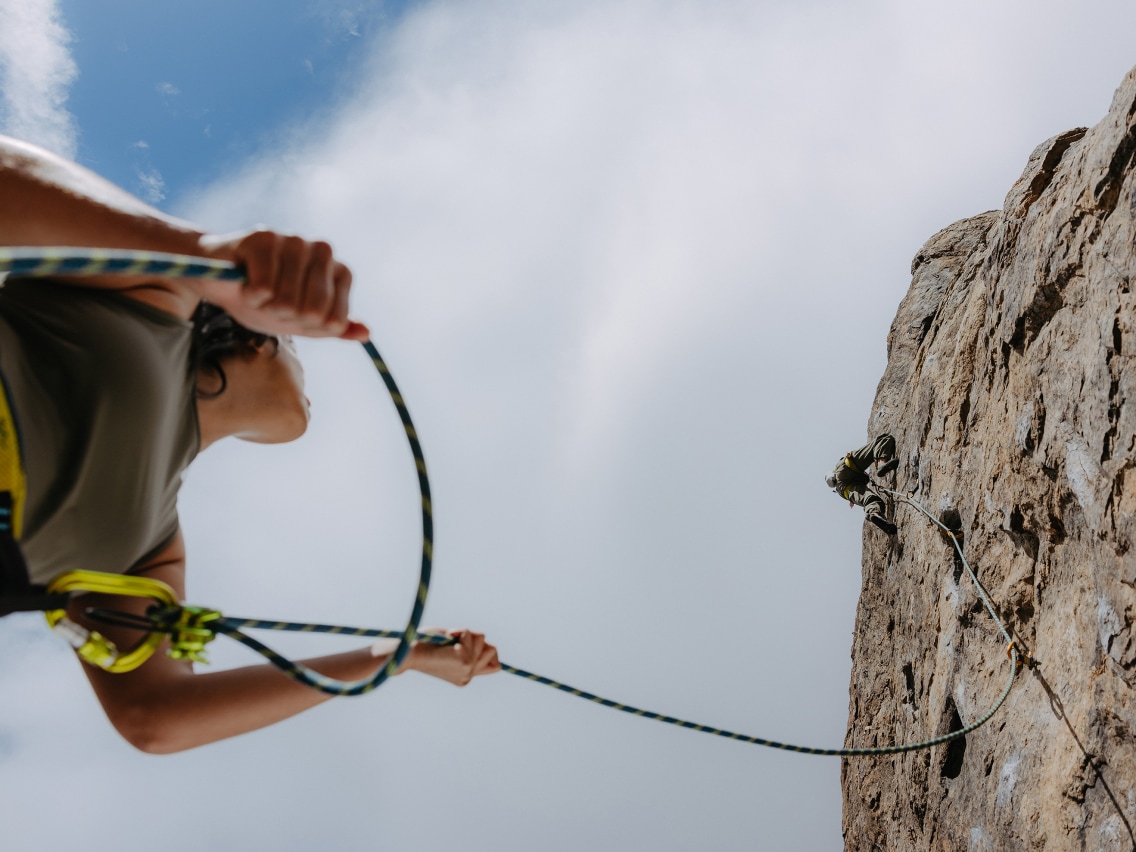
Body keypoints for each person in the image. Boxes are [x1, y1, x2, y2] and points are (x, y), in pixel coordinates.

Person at [0, 134, 499, 753]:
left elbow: (157, 717)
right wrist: (200, 255)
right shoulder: (162, 296)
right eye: (297, 347)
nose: (308, 382)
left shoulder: (151, 550)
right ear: (254, 336)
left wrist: (400, 658)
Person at [825, 434, 899, 535]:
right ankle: (881, 464)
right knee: (883, 440)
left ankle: (874, 514)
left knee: (871, 500)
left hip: (845, 490)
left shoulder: (839, 489)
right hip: (845, 467)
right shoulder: (837, 472)